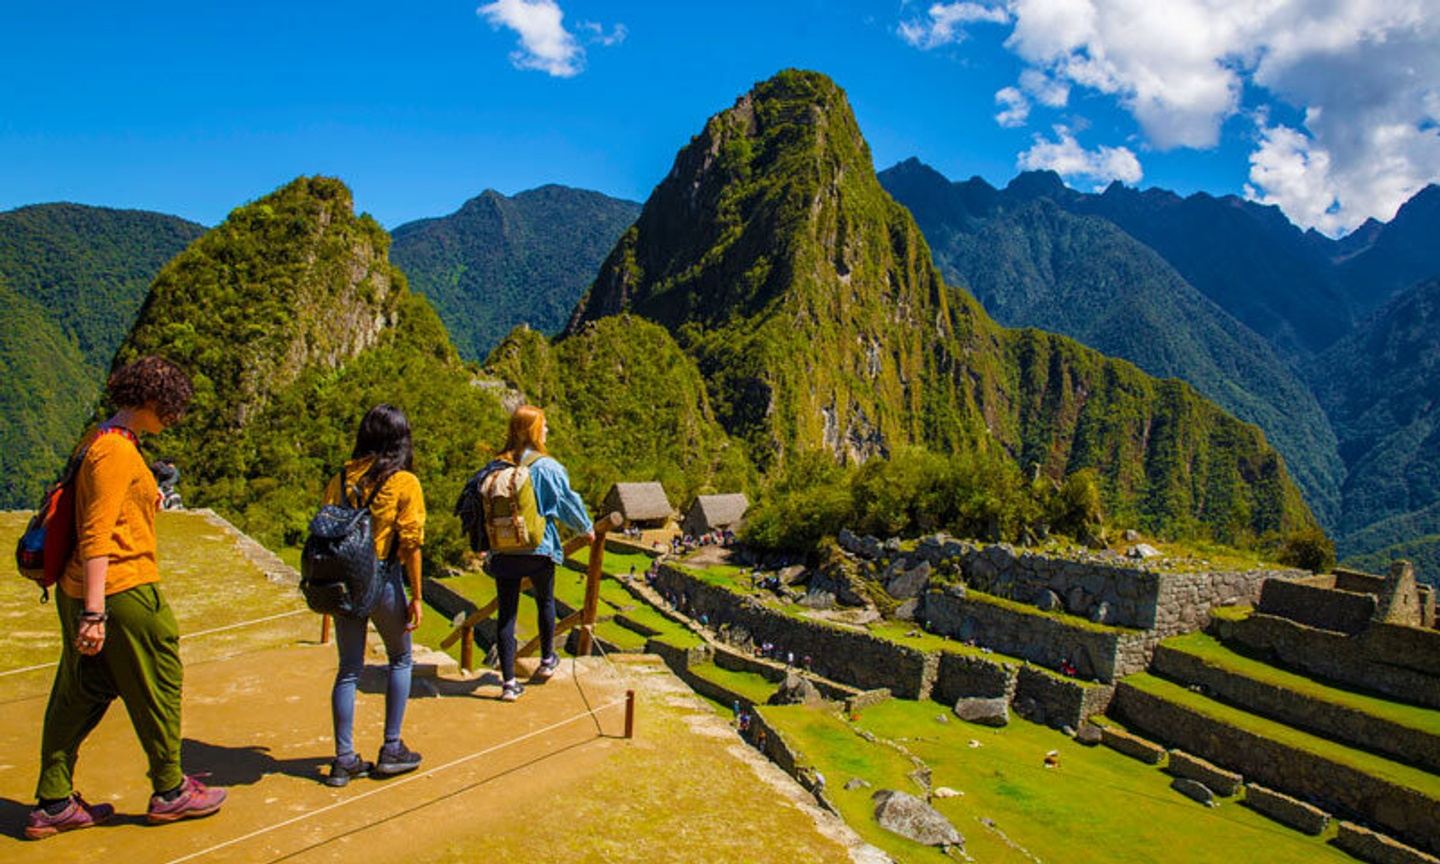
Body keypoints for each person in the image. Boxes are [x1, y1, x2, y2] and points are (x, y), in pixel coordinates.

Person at [29, 356, 226, 839]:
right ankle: (170, 789)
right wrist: (96, 613)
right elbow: (97, 535)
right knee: (159, 682)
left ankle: (54, 800)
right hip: (121, 591)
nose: (173, 418)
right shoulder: (115, 454)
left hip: (79, 590)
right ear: (154, 402)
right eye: (171, 408)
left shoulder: (99, 440)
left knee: (80, 693)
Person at [322, 404, 427, 787]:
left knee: (348, 669)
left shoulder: (341, 477)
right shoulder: (404, 483)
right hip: (381, 581)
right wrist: (416, 594)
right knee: (401, 658)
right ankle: (392, 747)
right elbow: (411, 545)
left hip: (344, 584)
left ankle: (344, 758)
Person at [485, 406, 593, 703]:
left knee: (506, 613)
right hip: (538, 548)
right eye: (544, 426)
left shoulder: (497, 464)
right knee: (545, 601)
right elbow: (567, 502)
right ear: (534, 431)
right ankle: (547, 659)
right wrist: (587, 528)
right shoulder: (547, 467)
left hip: (505, 548)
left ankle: (508, 684)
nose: (547, 431)